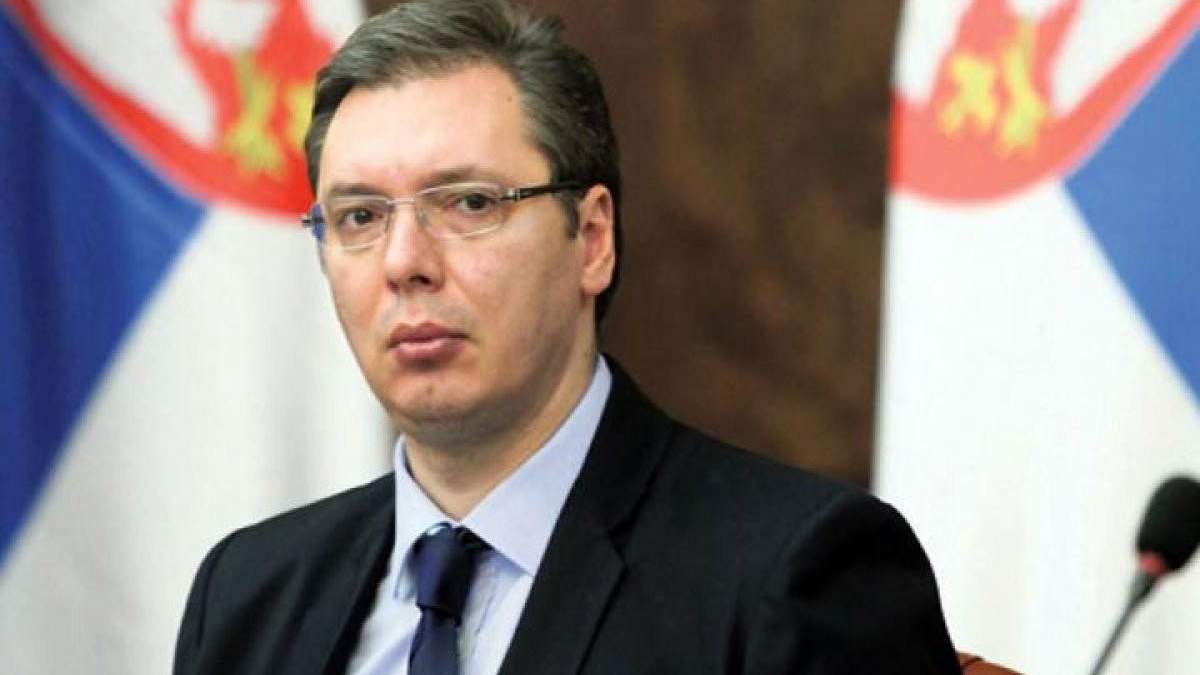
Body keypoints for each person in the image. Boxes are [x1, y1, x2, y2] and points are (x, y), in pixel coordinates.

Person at [173, 1, 961, 673]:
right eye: (358, 216)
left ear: (591, 239)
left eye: (469, 203)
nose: (404, 261)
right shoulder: (246, 594)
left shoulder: (794, 573)